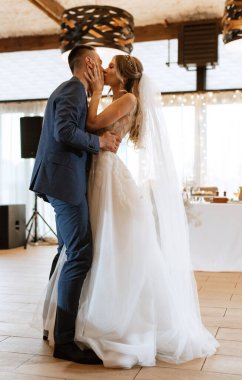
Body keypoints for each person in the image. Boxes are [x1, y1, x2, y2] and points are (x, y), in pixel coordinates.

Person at [42, 54, 219, 368]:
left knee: (104, 246)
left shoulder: (127, 99)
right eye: (104, 65)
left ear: (123, 75)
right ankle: (73, 323)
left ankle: (112, 323)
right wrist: (96, 94)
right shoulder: (113, 96)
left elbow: (92, 124)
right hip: (93, 172)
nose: (106, 71)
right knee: (84, 249)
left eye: (111, 67)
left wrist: (95, 91)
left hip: (106, 173)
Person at [29, 45, 121, 365]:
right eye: (98, 61)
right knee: (81, 253)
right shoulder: (72, 89)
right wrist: (100, 142)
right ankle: (64, 342)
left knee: (66, 251)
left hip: (63, 180)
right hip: (64, 183)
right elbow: (64, 131)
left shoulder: (77, 92)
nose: (101, 68)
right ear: (88, 63)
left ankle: (51, 323)